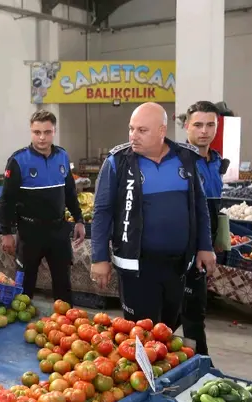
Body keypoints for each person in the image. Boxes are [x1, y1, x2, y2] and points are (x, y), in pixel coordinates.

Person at [90, 102, 215, 330]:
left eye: (142, 130)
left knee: (168, 329)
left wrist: (205, 246)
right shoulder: (117, 162)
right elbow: (101, 212)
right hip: (136, 268)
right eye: (131, 129)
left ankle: (164, 366)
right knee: (141, 333)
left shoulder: (185, 160)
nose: (133, 136)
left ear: (161, 131)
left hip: (177, 266)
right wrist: (99, 258)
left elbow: (199, 205)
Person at [0, 110, 85, 303]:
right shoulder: (18, 160)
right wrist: (6, 232)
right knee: (25, 287)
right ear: (31, 132)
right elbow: (6, 200)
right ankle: (20, 330)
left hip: (58, 231)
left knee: (63, 286)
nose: (42, 137)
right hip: (29, 233)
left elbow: (70, 192)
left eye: (47, 132)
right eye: (36, 132)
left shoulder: (62, 156)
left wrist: (79, 219)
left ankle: (64, 328)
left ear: (54, 131)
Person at [181, 100, 230, 356]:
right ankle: (201, 365)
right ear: (186, 126)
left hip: (206, 244)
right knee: (192, 310)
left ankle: (188, 362)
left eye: (210, 124)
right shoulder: (178, 162)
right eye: (198, 124)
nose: (204, 130)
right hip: (184, 246)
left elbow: (214, 205)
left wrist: (218, 237)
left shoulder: (216, 161)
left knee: (190, 310)